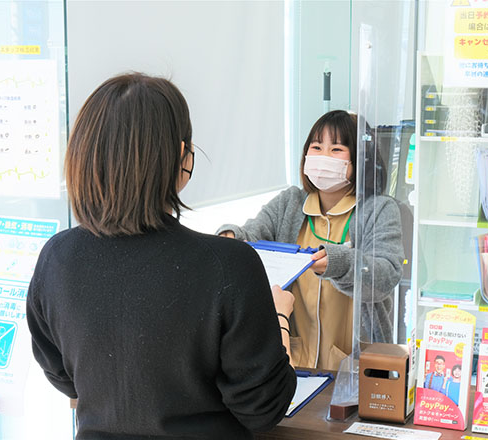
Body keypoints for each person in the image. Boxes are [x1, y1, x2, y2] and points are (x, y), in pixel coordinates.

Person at [26, 73, 296, 439]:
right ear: (181, 157)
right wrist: (280, 316)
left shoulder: (58, 258)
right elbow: (263, 407)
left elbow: (64, 379)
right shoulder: (229, 265)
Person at [217, 110, 403, 370]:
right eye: (316, 147)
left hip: (354, 365)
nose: (323, 157)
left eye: (336, 149)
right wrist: (232, 236)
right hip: (295, 360)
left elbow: (387, 274)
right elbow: (254, 233)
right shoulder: (290, 202)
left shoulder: (379, 209)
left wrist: (337, 263)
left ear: (362, 158)